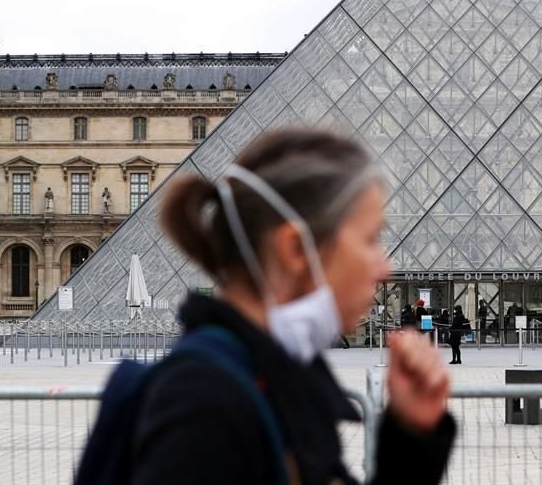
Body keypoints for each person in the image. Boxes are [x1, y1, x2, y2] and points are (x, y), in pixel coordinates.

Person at [110, 129, 455, 483]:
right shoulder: (204, 407)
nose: (386, 267)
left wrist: (412, 437)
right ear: (295, 249)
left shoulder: (273, 378)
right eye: (370, 239)